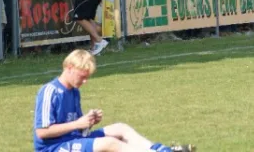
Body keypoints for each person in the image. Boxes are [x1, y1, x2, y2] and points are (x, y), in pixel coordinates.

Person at [34, 50, 188, 152]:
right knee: (109, 143)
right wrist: (78, 124)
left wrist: (88, 123)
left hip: (72, 140)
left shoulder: (74, 91)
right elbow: (42, 132)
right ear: (69, 68)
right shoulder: (50, 91)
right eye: (82, 76)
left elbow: (78, 130)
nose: (85, 81)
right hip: (53, 147)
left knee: (121, 128)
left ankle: (162, 150)